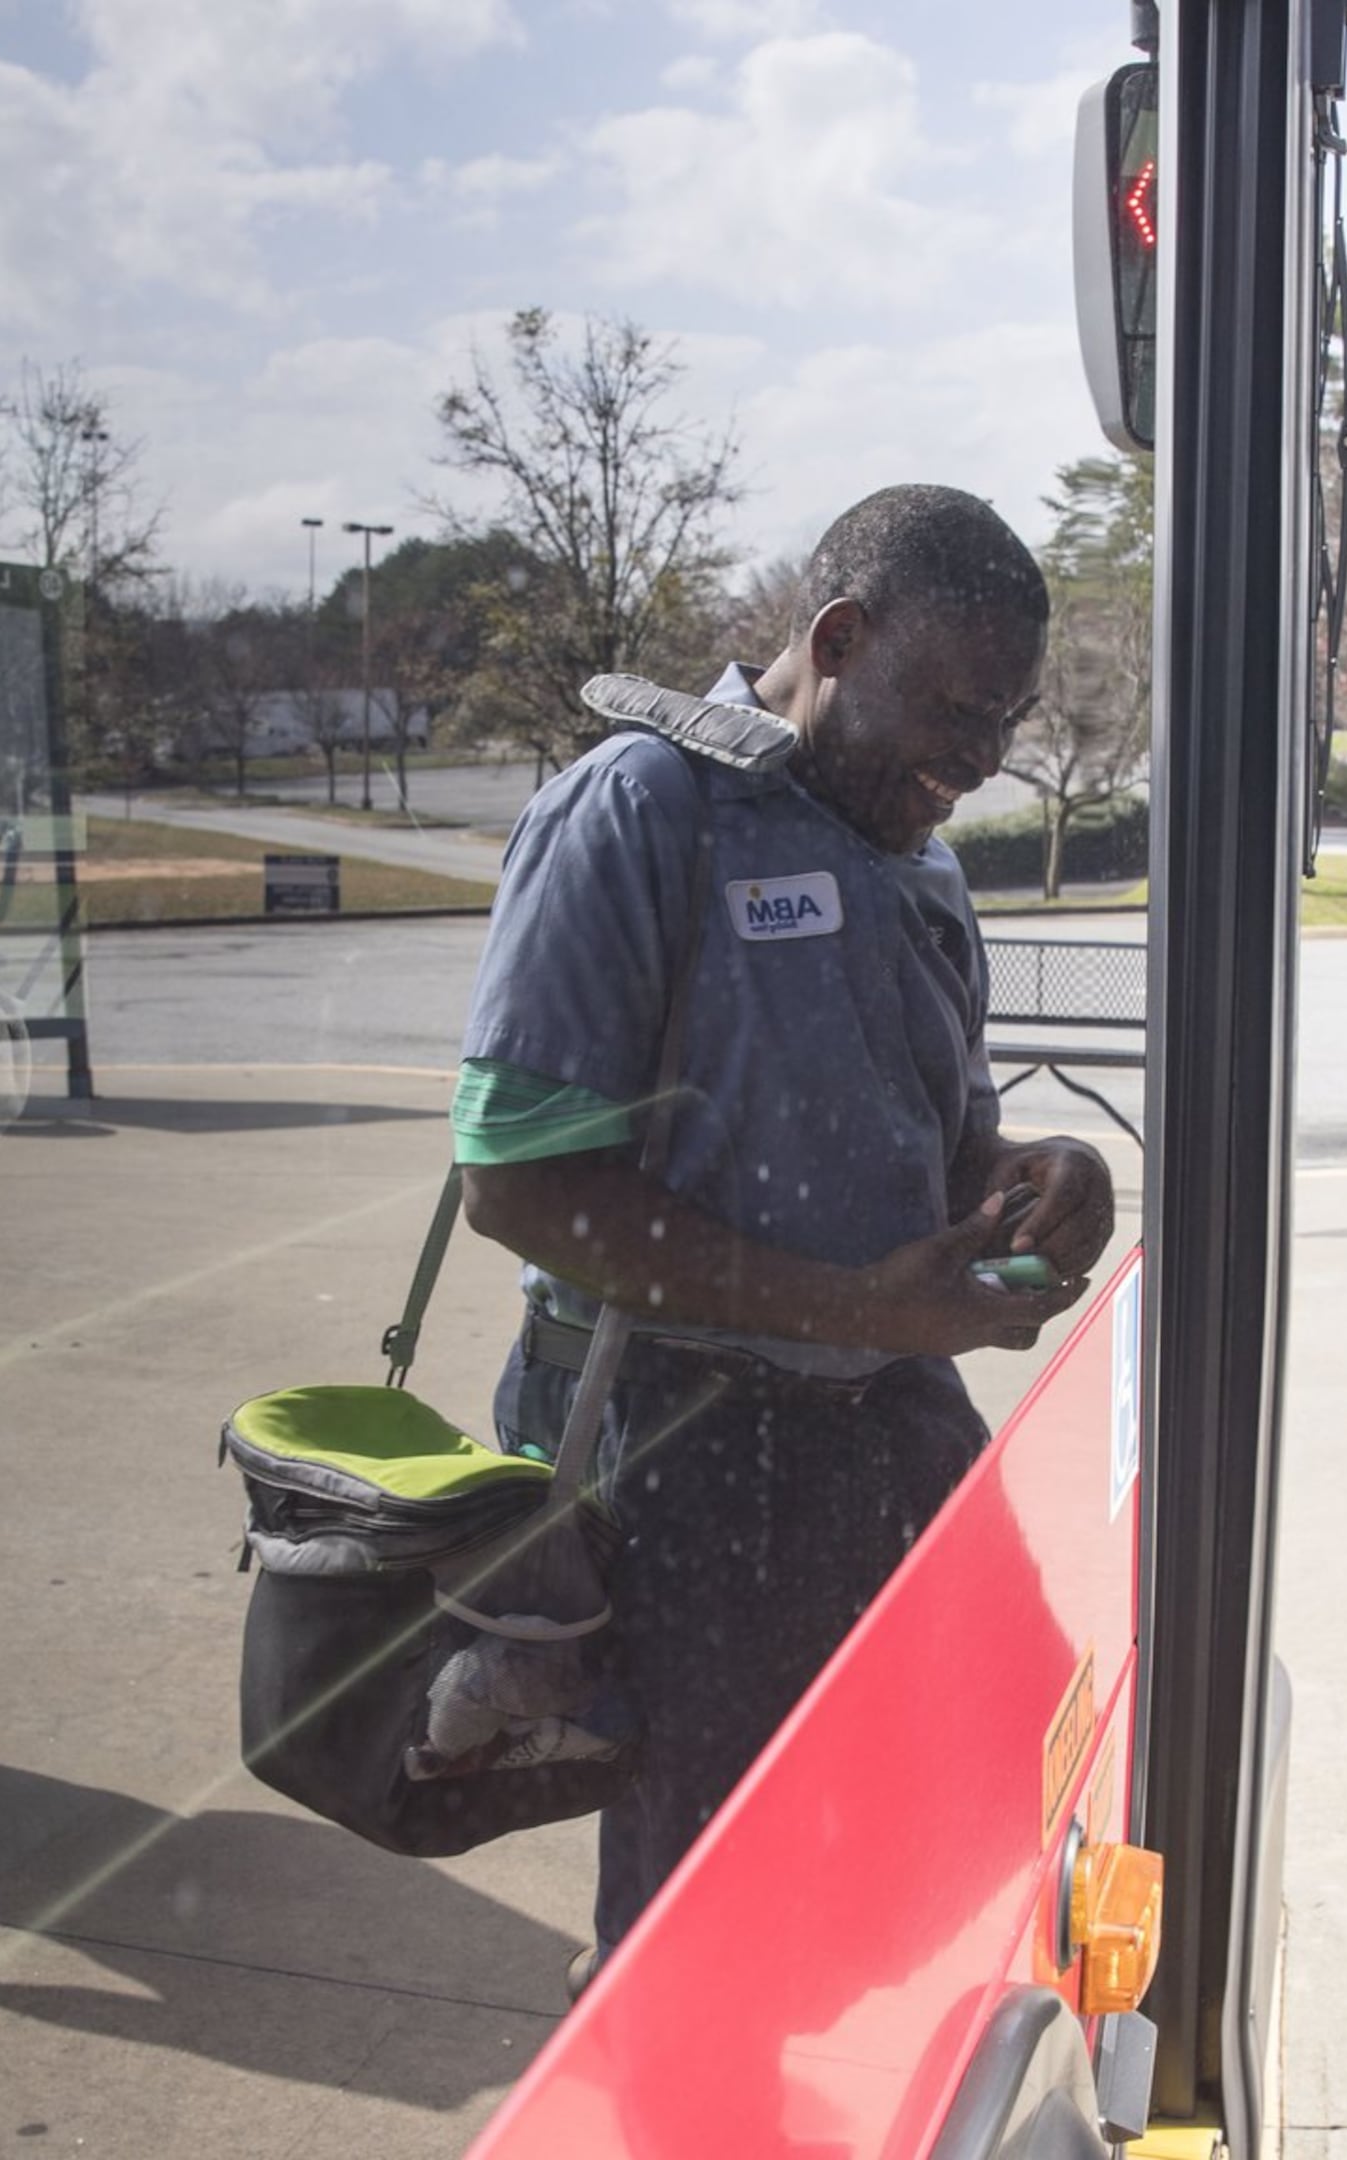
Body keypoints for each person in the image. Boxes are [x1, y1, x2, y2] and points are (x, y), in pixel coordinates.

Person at [453, 483, 1116, 1957]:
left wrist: (1039, 1173)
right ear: (835, 637)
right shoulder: (642, 809)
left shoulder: (918, 859)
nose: (978, 758)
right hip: (691, 1454)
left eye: (1003, 718)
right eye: (949, 705)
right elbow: (516, 1179)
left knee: (1020, 1780)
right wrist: (862, 1308)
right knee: (706, 1910)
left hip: (889, 1432)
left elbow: (944, 1152)